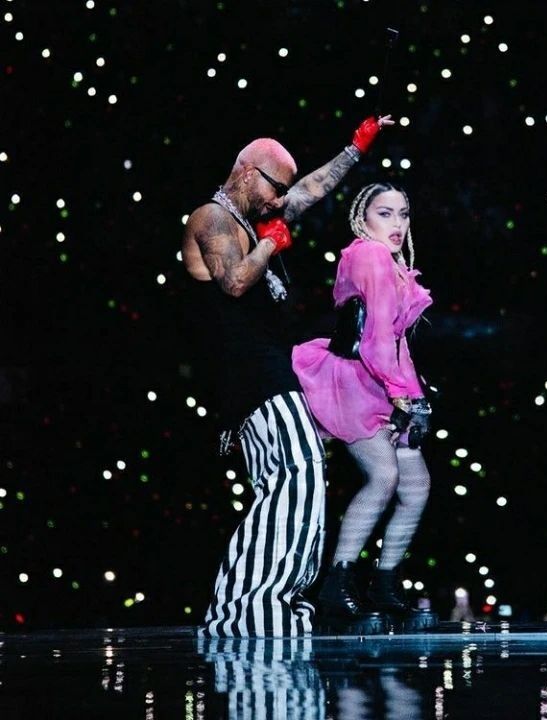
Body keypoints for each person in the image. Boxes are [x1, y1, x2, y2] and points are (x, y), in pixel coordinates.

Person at [182, 116, 394, 638]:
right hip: (251, 377)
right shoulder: (211, 217)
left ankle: (264, 605)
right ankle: (248, 608)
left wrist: (355, 148)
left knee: (299, 479)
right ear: (247, 173)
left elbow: (311, 189)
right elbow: (234, 281)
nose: (280, 200)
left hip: (273, 371)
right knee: (297, 473)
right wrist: (269, 246)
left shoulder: (257, 213)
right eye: (275, 188)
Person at [292, 182, 437, 632]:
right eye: (385, 213)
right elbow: (374, 340)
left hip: (384, 382)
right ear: (362, 217)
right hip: (355, 381)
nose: (397, 224)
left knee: (416, 486)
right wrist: (400, 395)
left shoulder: (391, 263)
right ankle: (337, 583)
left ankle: (384, 583)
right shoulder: (369, 256)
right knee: (384, 476)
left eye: (403, 213)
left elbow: (396, 342)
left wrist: (414, 398)